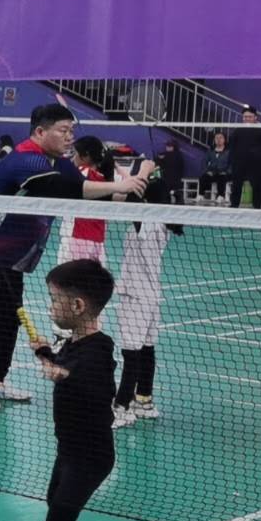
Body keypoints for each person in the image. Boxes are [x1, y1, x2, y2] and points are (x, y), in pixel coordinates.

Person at [0, 104, 147, 411]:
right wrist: (120, 184)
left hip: (8, 254)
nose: (70, 137)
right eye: (63, 130)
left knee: (8, 317)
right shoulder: (26, 160)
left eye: (72, 131)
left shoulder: (60, 162)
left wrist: (131, 189)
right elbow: (66, 187)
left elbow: (86, 190)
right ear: (40, 132)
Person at [19, 258, 119, 521]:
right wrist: (46, 353)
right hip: (69, 449)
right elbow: (65, 364)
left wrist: (63, 374)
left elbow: (97, 384)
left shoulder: (100, 349)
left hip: (91, 456)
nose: (50, 306)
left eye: (54, 299)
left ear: (77, 306)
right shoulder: (74, 344)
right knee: (55, 505)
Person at [114, 180, 178, 429]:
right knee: (147, 350)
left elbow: (131, 201)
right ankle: (144, 401)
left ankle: (121, 407)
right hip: (151, 296)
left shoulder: (147, 222)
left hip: (136, 297)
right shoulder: (162, 221)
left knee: (131, 354)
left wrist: (140, 174)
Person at [56, 136, 112, 265]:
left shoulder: (79, 173)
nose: (73, 158)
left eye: (75, 153)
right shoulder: (104, 180)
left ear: (85, 156)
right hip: (98, 240)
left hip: (76, 238)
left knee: (67, 277)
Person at [229, 107, 261, 209]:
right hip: (240, 164)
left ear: (255, 117)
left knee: (257, 187)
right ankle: (234, 206)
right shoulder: (237, 131)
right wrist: (232, 162)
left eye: (249, 117)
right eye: (245, 117)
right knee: (236, 186)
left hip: (256, 165)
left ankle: (257, 207)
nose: (247, 119)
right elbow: (232, 147)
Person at [199, 132, 233, 204]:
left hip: (225, 172)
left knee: (221, 177)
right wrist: (207, 171)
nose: (218, 140)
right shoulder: (210, 150)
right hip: (213, 172)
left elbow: (231, 164)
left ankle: (221, 196)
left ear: (224, 139)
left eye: (220, 138)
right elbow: (204, 162)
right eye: (216, 138)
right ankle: (200, 195)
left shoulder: (229, 151)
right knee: (203, 177)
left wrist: (226, 172)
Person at [157, 139, 185, 205]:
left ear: (174, 147)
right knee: (165, 196)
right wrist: (160, 159)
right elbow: (159, 165)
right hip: (165, 178)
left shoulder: (178, 155)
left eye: (170, 146)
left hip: (175, 178)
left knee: (177, 194)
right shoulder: (163, 155)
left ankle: (176, 197)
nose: (168, 147)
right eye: (167, 146)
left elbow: (180, 166)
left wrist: (163, 158)